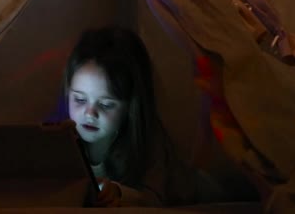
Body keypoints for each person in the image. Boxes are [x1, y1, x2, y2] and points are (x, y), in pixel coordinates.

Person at [56, 27, 223, 207]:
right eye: (79, 99)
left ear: (130, 106)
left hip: (197, 194)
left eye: (106, 104)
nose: (89, 113)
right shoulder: (65, 142)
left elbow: (154, 198)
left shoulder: (148, 138)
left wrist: (120, 194)